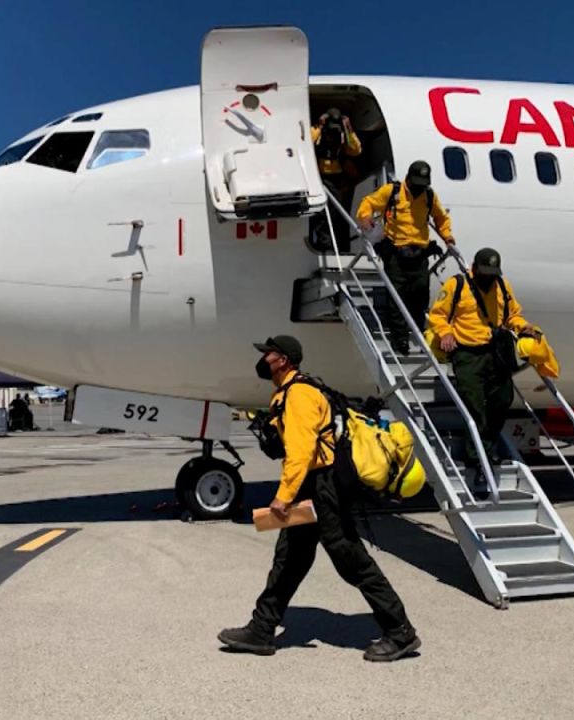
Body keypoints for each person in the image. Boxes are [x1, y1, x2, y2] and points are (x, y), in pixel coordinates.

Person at [218, 335, 420, 662]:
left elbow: (301, 453)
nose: (263, 359)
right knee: (290, 559)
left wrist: (283, 498)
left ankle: (400, 632)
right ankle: (261, 629)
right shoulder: (287, 393)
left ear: (282, 360)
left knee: (350, 559)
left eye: (268, 354)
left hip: (323, 488)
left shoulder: (299, 394)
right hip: (311, 486)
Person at [426, 248, 537, 469]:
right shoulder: (456, 285)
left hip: (494, 352)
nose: (488, 277)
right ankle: (477, 455)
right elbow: (438, 314)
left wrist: (523, 327)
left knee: (503, 399)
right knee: (474, 405)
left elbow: (512, 314)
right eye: (484, 272)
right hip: (467, 354)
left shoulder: (502, 286)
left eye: (492, 273)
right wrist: (446, 332)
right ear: (474, 268)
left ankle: (485, 445)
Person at [356, 161, 454, 355]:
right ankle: (400, 339)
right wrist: (365, 216)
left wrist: (447, 236)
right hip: (396, 253)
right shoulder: (392, 191)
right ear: (408, 178)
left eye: (422, 184)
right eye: (416, 183)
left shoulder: (429, 196)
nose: (419, 187)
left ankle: (418, 332)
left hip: (419, 254)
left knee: (420, 294)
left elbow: (441, 218)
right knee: (397, 297)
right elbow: (368, 202)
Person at [309, 108, 362, 251]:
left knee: (336, 210)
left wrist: (348, 129)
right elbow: (306, 142)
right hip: (318, 175)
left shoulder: (343, 135)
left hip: (336, 176)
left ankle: (334, 241)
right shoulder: (318, 133)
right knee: (320, 210)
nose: (333, 133)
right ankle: (322, 240)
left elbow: (356, 150)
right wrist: (319, 126)